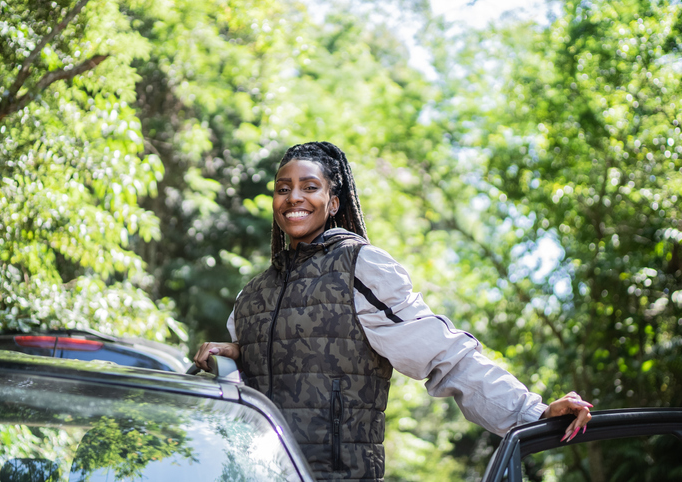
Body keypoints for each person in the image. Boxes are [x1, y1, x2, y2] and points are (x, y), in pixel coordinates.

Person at [194, 141, 592, 482]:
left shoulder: (360, 268)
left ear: (333, 203)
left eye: (309, 187)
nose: (293, 197)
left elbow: (444, 356)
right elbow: (248, 397)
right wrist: (236, 354)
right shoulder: (253, 295)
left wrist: (533, 412)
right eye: (283, 189)